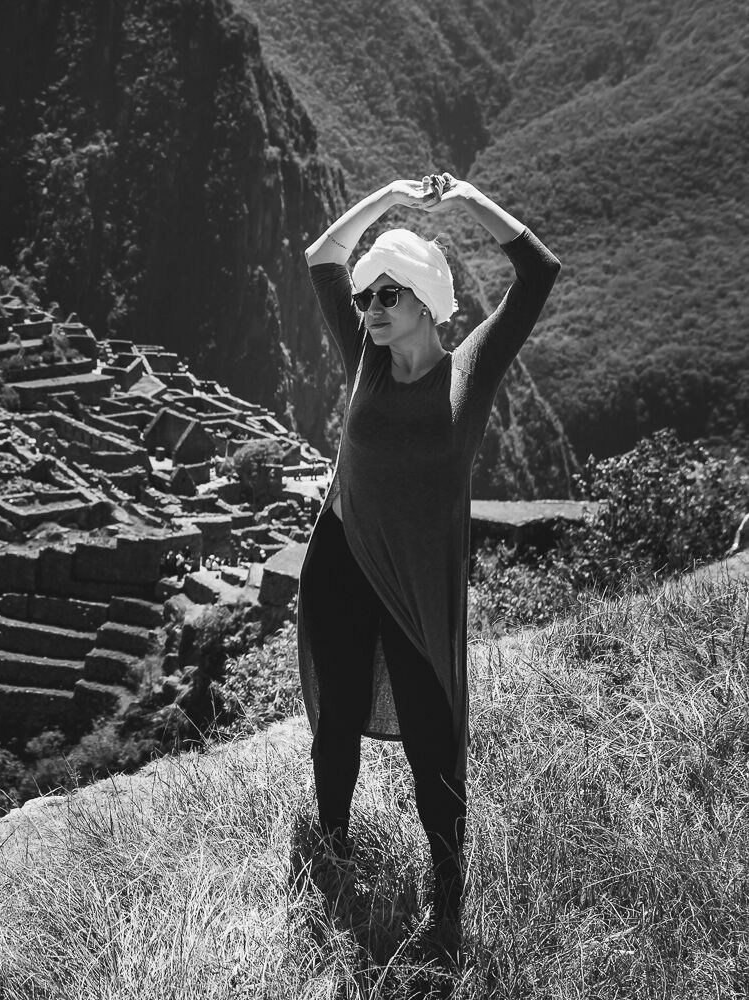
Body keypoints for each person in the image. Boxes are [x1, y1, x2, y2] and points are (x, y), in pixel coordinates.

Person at [297, 172, 560, 958]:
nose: (368, 308)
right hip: (342, 562)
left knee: (431, 743)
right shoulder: (366, 362)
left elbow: (538, 273)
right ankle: (333, 856)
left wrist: (468, 201)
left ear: (423, 300)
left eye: (386, 295)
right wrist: (390, 195)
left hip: (417, 586)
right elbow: (320, 257)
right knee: (334, 722)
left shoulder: (469, 371)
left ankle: (448, 897)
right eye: (365, 296)